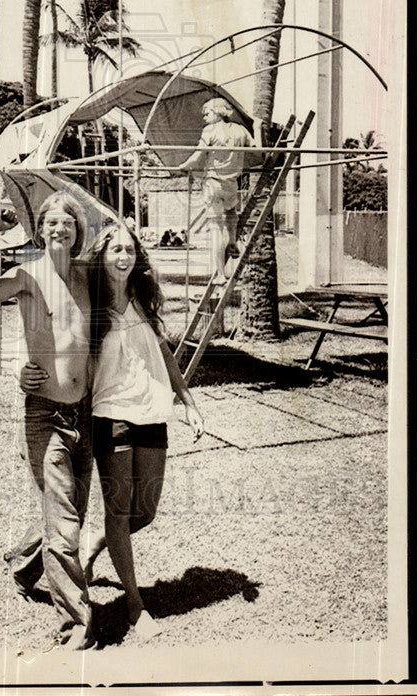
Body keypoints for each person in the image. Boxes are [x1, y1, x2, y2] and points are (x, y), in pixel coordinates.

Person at [0, 192, 95, 651]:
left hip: (86, 414)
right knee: (64, 523)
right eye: (52, 223)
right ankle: (76, 624)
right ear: (39, 231)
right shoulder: (28, 277)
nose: (60, 229)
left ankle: (22, 564)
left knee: (68, 514)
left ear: (79, 232)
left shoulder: (86, 276)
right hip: (45, 416)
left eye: (69, 223)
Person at [83, 223, 204, 638]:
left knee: (145, 511)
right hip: (110, 414)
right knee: (119, 510)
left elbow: (164, 352)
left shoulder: (142, 298)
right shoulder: (88, 302)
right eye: (114, 249)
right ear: (100, 255)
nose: (123, 256)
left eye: (128, 249)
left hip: (152, 411)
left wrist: (187, 401)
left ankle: (96, 543)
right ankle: (135, 607)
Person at [178, 97, 254, 284]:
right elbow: (257, 149)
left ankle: (220, 274)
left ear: (218, 111)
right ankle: (232, 241)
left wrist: (182, 166)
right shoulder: (240, 130)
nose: (204, 117)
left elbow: (197, 157)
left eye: (207, 113)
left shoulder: (210, 130)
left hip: (214, 183)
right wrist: (258, 128)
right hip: (232, 183)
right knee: (231, 214)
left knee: (215, 229)